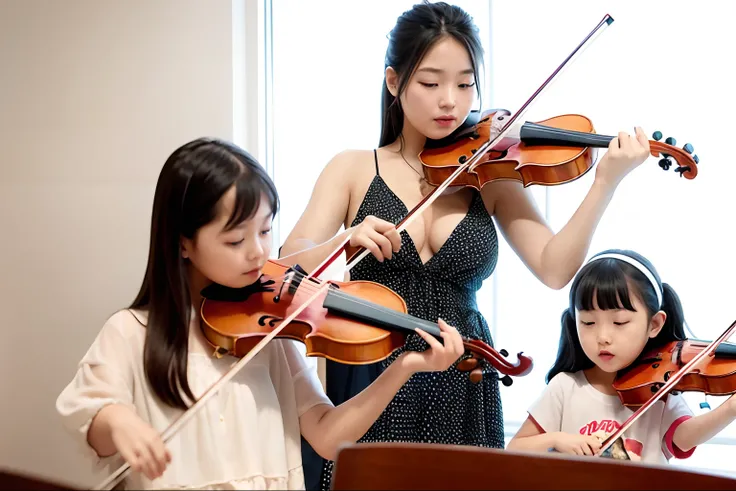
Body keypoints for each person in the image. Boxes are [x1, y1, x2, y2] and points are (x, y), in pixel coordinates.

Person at [278, 1, 662, 488]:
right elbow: (286, 262)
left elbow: (553, 267)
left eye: (464, 83)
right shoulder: (353, 168)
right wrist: (342, 240)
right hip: (372, 370)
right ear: (394, 82)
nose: (450, 102)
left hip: (464, 371)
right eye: (431, 82)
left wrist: (604, 183)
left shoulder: (488, 174)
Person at [55, 137, 466, 490]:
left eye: (266, 230)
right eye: (236, 240)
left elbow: (326, 436)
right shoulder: (131, 333)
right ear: (183, 243)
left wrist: (406, 367)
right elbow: (90, 415)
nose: (259, 252)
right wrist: (119, 422)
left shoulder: (271, 336)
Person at [506, 249, 736, 463]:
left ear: (654, 324)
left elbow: (684, 439)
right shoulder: (565, 387)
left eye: (619, 322)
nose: (603, 337)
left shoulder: (660, 392)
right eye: (588, 322)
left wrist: (730, 409)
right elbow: (515, 448)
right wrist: (556, 440)